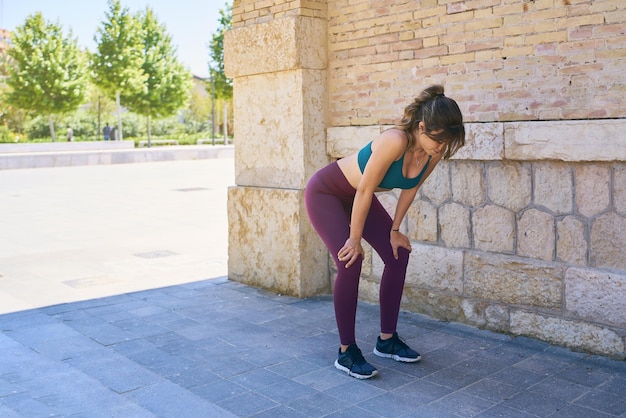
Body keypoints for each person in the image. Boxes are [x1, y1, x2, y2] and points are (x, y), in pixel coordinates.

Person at [304, 84, 465, 379]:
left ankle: (387, 340)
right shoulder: (394, 140)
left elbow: (411, 187)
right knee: (350, 260)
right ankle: (346, 351)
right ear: (421, 126)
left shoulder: (433, 152)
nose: (441, 147)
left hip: (357, 198)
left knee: (398, 253)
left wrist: (394, 229)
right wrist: (354, 239)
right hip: (327, 193)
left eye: (446, 142)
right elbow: (365, 189)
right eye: (437, 139)